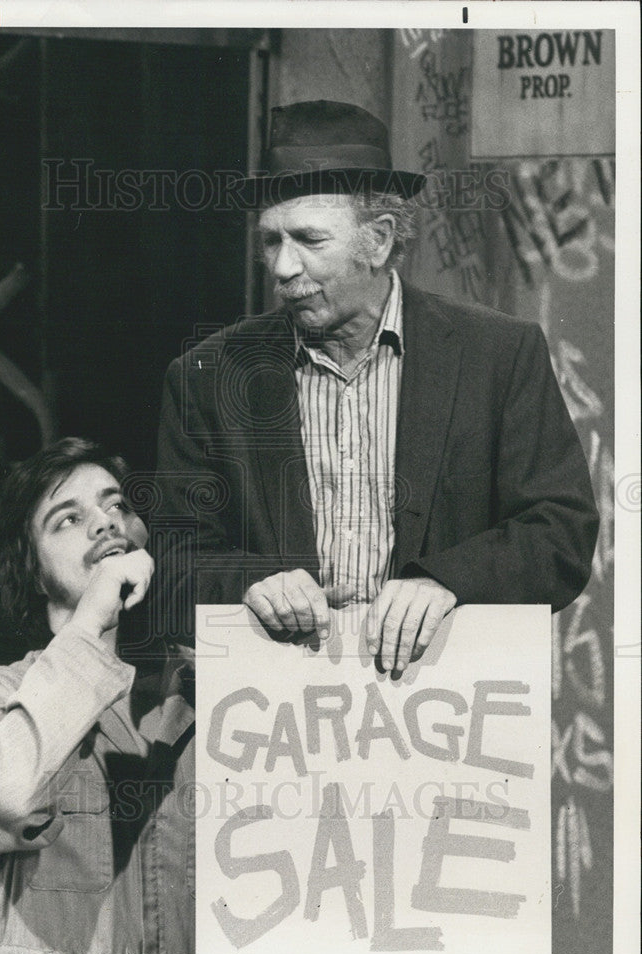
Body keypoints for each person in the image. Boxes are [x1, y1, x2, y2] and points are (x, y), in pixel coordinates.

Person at [154, 99, 599, 674]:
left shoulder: (498, 355)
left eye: (309, 240)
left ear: (380, 240)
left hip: (450, 717)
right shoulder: (206, 378)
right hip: (278, 726)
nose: (283, 268)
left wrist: (447, 582)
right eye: (271, 241)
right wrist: (253, 583)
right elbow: (172, 561)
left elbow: (560, 531)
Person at [0, 437, 194, 954]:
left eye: (118, 505)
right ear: (33, 572)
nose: (106, 523)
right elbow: (7, 790)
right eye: (66, 519)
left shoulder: (198, 687)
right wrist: (92, 619)